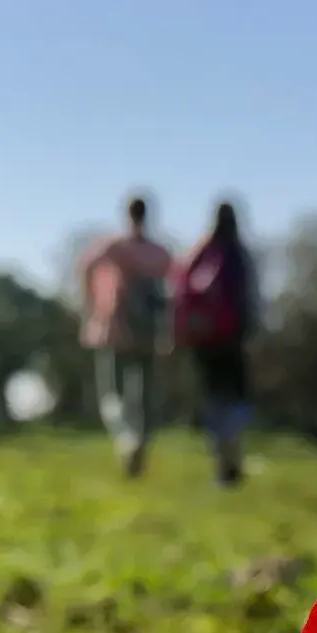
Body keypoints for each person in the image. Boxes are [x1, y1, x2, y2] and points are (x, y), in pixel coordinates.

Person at [78, 195, 173, 477]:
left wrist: (92, 305)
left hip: (117, 325)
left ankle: (127, 439)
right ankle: (141, 438)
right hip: (150, 329)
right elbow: (171, 290)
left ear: (127, 214)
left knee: (112, 393)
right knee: (145, 394)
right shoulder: (159, 252)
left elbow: (85, 266)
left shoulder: (113, 247)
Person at [172, 200, 259, 487]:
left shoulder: (198, 252)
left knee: (213, 398)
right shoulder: (240, 254)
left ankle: (221, 458)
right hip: (233, 338)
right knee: (236, 396)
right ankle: (233, 449)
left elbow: (180, 290)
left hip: (203, 338)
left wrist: (182, 332)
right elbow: (251, 298)